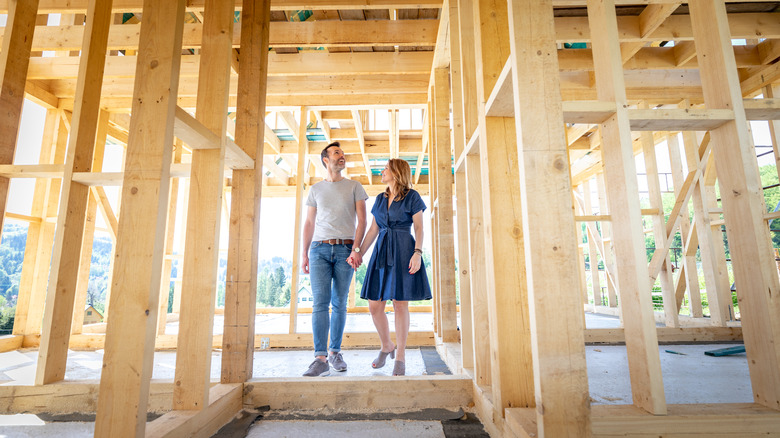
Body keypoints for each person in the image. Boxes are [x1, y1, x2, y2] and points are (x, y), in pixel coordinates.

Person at [348, 158, 431, 376]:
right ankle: (387, 345)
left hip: (404, 250)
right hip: (381, 252)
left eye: (385, 168)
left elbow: (420, 227)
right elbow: (374, 230)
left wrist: (418, 253)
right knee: (374, 306)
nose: (382, 171)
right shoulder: (380, 198)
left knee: (400, 304)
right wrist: (358, 253)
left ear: (396, 173)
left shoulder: (412, 197)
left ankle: (401, 356)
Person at [301, 141, 368, 377]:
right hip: (318, 250)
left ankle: (335, 352)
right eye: (336, 153)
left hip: (345, 250)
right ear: (326, 160)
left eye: (342, 153)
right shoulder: (316, 189)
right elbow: (309, 223)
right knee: (320, 303)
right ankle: (320, 358)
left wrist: (356, 249)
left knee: (339, 302)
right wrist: (304, 253)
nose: (342, 156)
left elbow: (363, 221)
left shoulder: (354, 186)